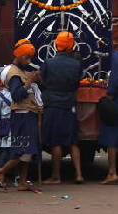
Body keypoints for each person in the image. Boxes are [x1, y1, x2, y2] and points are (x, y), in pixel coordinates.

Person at [0, 39, 43, 193]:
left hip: (29, 114)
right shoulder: (14, 74)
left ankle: (22, 181)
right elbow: (16, 95)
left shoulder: (24, 69)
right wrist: (28, 84)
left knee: (28, 151)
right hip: (21, 116)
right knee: (22, 149)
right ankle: (0, 171)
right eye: (27, 57)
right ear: (19, 56)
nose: (29, 61)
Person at [41, 31, 84, 184]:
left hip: (53, 104)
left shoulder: (49, 63)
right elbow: (77, 84)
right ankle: (79, 175)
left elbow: (43, 81)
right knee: (73, 141)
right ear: (71, 46)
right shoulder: (76, 64)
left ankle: (56, 176)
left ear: (56, 45)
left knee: (56, 142)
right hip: (70, 103)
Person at [98, 33, 118, 184]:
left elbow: (115, 79)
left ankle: (112, 172)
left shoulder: (116, 56)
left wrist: (108, 97)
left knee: (112, 138)